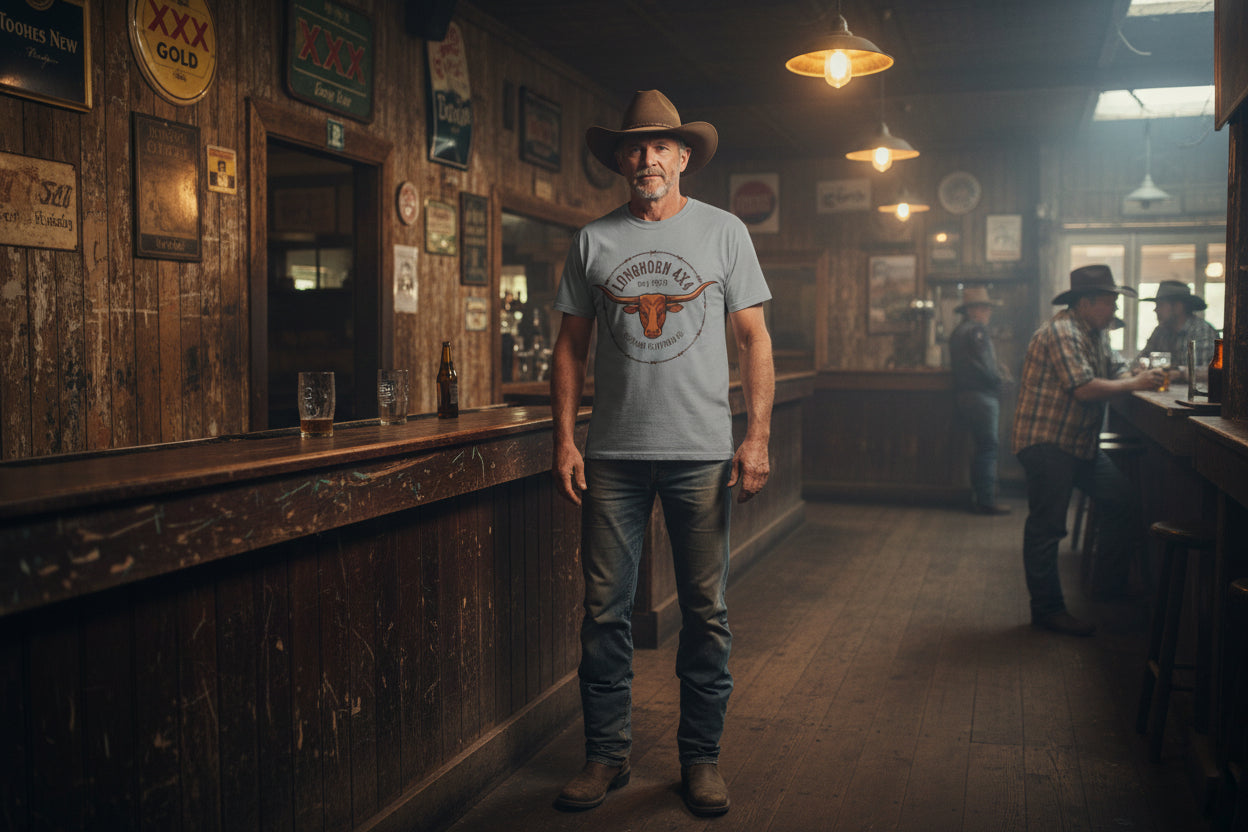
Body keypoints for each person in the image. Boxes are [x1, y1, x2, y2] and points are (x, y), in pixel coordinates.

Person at [549, 89, 774, 817]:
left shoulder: (725, 232)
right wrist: (564, 440)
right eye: (633, 147)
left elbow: (753, 340)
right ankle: (606, 756)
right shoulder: (593, 240)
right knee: (604, 614)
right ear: (620, 159)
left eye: (659, 147)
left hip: (702, 453)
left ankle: (700, 760)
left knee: (706, 613)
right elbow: (569, 349)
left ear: (682, 158)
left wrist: (756, 436)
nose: (645, 158)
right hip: (611, 454)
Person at [1011, 265, 1165, 637]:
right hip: (1048, 441)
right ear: (1086, 302)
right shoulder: (1063, 331)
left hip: (1076, 444)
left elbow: (1114, 368)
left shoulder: (1093, 333)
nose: (1114, 311)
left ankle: (1105, 587)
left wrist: (1139, 371)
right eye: (1109, 303)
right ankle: (1047, 610)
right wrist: (1136, 383)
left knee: (1121, 500)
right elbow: (1083, 388)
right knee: (1047, 528)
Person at [948, 286, 1009, 515]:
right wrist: (999, 380)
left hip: (964, 395)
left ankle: (979, 496)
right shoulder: (977, 332)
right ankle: (986, 500)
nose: (988, 313)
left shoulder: (958, 332)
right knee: (988, 447)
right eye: (984, 308)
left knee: (980, 447)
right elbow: (985, 367)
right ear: (973, 310)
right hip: (982, 396)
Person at [1137, 280, 1219, 379]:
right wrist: (1139, 368)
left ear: (1178, 307)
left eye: (1161, 305)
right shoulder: (1160, 332)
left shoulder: (1202, 331)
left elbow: (1208, 372)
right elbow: (1139, 360)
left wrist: (1179, 374)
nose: (1155, 310)